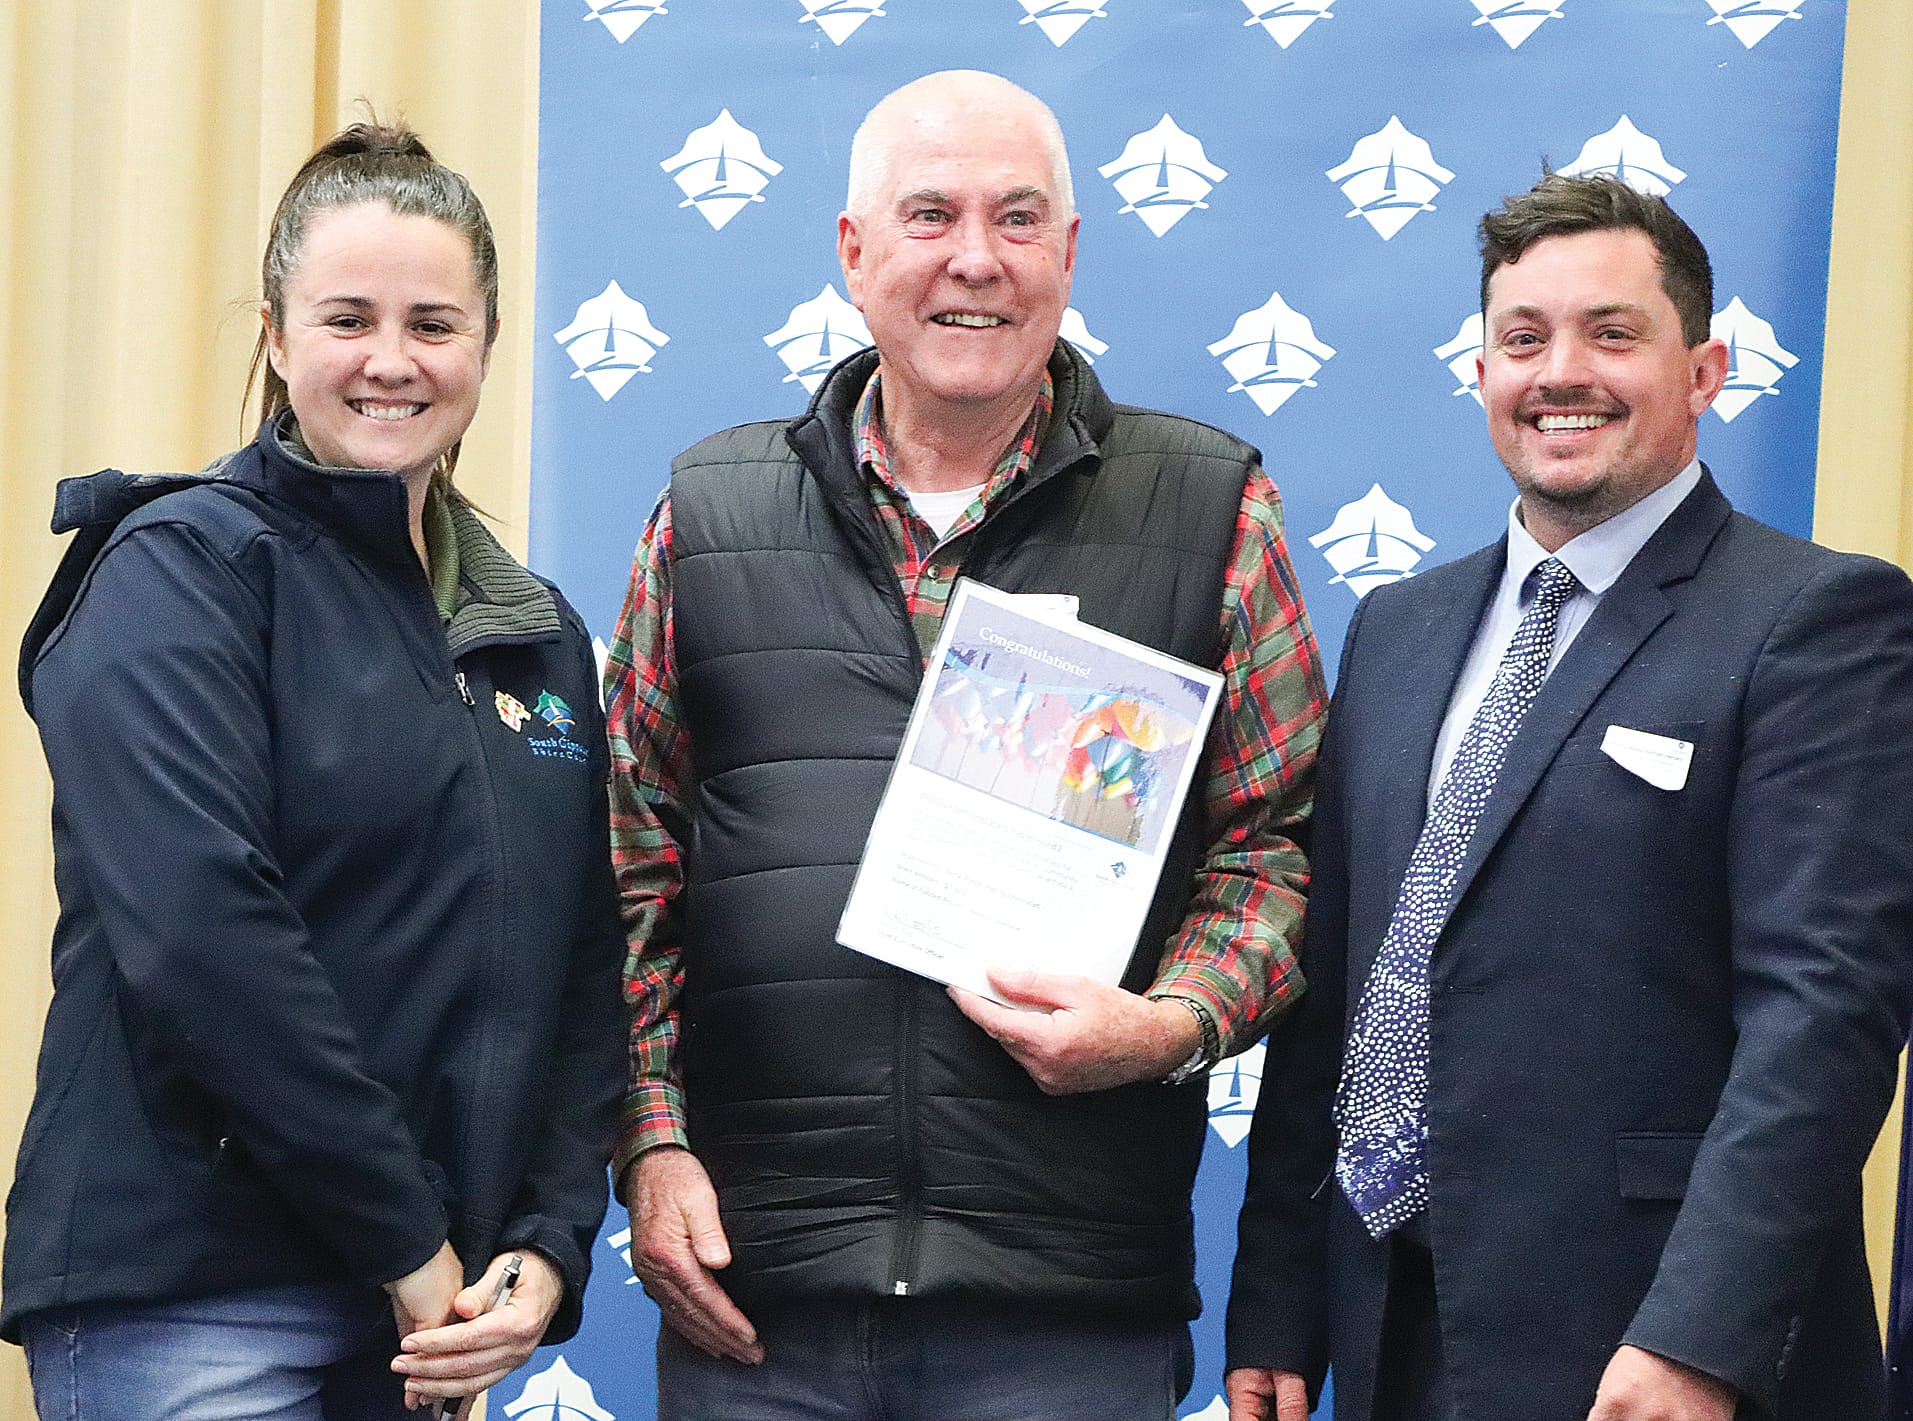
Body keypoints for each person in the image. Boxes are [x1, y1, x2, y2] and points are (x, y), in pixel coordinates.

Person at [605, 69, 1326, 1421]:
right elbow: (628, 865)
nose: (975, 259)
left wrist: (1165, 1026)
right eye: (929, 215)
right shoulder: (706, 511)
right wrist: (649, 1142)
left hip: (1065, 1319)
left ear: (1068, 251)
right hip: (759, 1312)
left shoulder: (1211, 508)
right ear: (853, 251)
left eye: (1017, 217)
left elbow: (1275, 850)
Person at [1224, 172, 1913, 1421]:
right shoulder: (1397, 627)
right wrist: (1277, 1301)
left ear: (1701, 372)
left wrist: (1699, 1337)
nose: (1560, 373)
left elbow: (1824, 1016)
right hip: (1393, 1328)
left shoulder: (1814, 618)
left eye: (1610, 333)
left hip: (1647, 1347)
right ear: (1479, 371)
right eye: (1522, 338)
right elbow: (1338, 997)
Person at [3, 123, 625, 1419]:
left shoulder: (536, 633)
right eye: (348, 319)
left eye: (433, 324)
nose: (391, 360)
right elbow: (205, 933)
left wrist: (547, 1240)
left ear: (487, 345)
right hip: (201, 1298)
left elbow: (578, 967)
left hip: (429, 1318)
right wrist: (406, 1240)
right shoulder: (178, 570)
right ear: (278, 340)